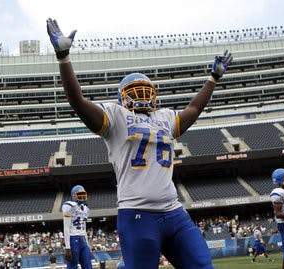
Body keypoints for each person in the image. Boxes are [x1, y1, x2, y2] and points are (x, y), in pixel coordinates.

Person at [47, 18, 232, 269]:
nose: (141, 95)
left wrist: (212, 79)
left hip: (174, 212)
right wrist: (63, 57)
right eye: (134, 91)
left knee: (202, 266)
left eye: (145, 89)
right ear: (122, 97)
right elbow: (78, 102)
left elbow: (194, 108)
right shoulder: (117, 117)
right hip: (137, 214)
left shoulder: (165, 118)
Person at [62, 185, 92, 269]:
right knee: (72, 266)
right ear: (74, 195)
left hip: (83, 239)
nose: (82, 197)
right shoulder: (69, 205)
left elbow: (84, 227)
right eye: (80, 194)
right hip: (73, 238)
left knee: (88, 266)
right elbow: (66, 227)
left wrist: (87, 244)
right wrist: (67, 247)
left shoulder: (86, 208)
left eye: (83, 194)